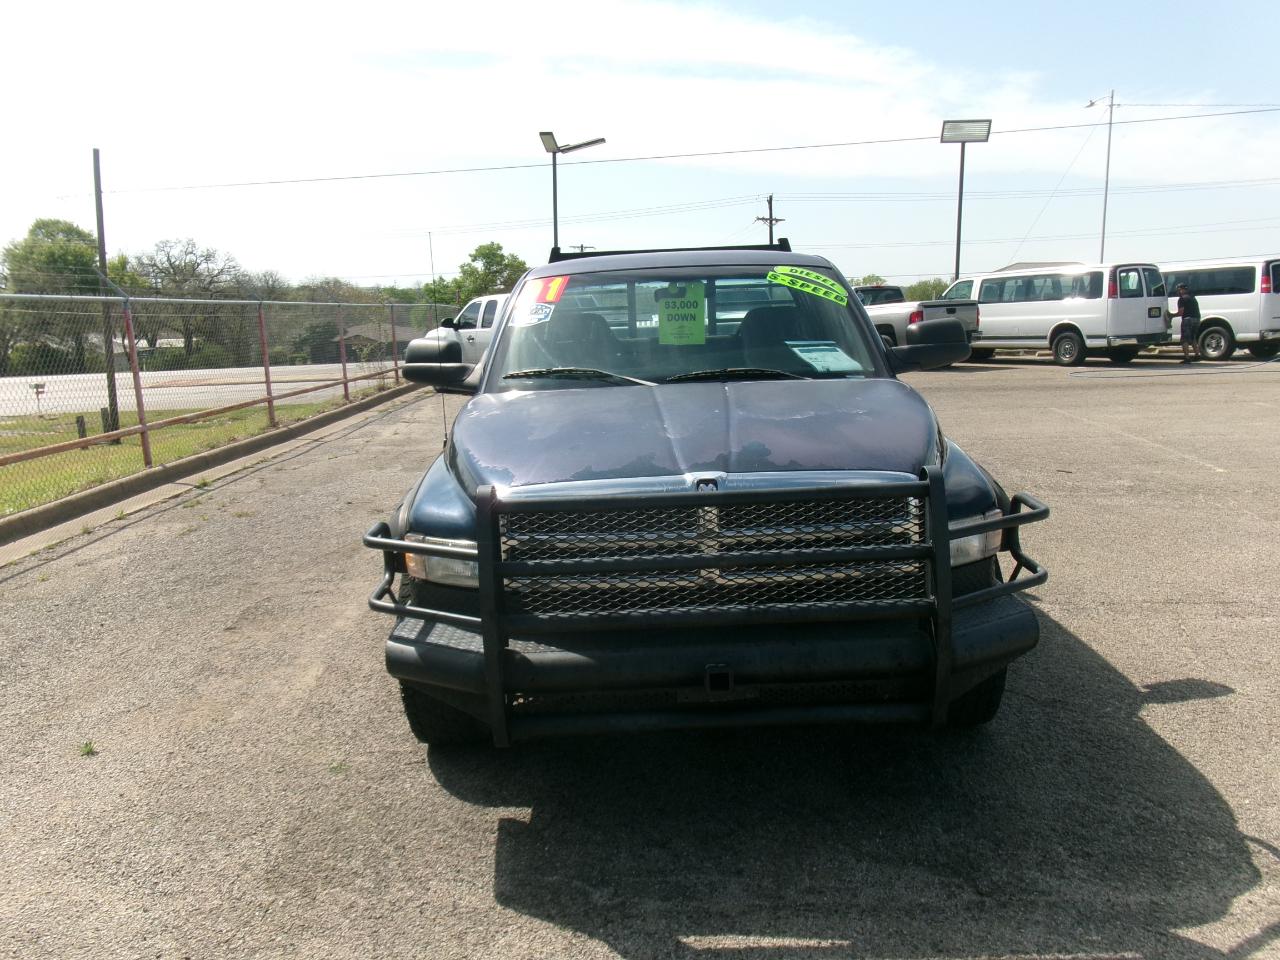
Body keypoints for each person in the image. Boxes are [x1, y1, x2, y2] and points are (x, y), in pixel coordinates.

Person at [1172, 282, 1201, 363]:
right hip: (1197, 319)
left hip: (1187, 320)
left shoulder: (1181, 299)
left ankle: (1187, 358)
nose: (1177, 292)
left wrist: (1171, 316)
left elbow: (1181, 312)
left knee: (1184, 339)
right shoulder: (1193, 297)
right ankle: (1197, 355)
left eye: (1178, 290)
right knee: (1193, 338)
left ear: (1181, 290)